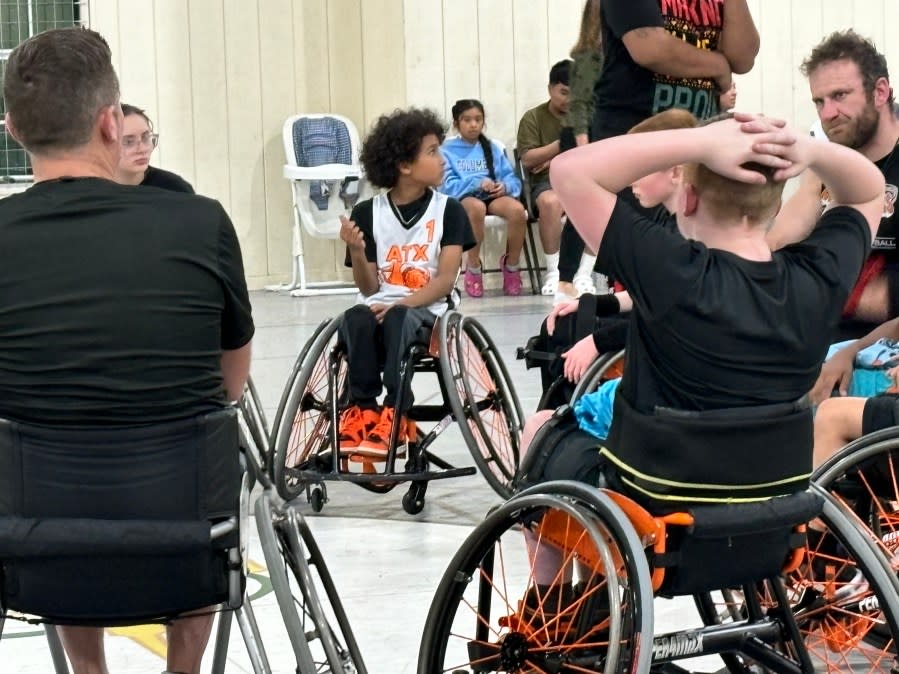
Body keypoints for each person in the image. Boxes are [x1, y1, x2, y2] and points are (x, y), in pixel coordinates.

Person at [513, 112, 882, 604]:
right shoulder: (815, 277)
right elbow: (866, 190)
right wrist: (810, 150)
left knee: (540, 430)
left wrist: (698, 141)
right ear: (775, 202)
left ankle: (552, 611)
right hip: (774, 515)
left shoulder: (672, 269)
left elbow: (569, 171)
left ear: (686, 196)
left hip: (657, 513)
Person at [1, 27, 253, 674]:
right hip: (187, 542)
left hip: (36, 551)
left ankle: (88, 669)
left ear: (12, 130)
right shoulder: (200, 222)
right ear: (111, 124)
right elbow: (227, 385)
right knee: (202, 444)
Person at [531, 108, 696, 409]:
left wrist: (597, 342)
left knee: (570, 338)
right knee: (560, 324)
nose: (628, 179)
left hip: (669, 345)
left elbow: (665, 317)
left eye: (639, 168)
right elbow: (645, 297)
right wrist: (591, 302)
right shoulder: (665, 219)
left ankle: (562, 422)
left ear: (674, 171)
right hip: (651, 325)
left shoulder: (688, 232)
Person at [771, 32, 899, 408]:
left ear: (880, 92)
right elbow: (782, 237)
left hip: (879, 348)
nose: (827, 114)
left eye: (840, 96)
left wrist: (856, 347)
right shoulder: (830, 158)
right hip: (819, 337)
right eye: (819, 101)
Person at [338, 107, 475, 458]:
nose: (442, 159)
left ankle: (398, 411)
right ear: (404, 166)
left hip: (427, 311)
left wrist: (400, 305)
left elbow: (445, 280)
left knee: (398, 317)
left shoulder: (450, 211)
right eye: (432, 151)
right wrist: (356, 250)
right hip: (381, 304)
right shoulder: (367, 213)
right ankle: (364, 410)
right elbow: (369, 289)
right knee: (353, 317)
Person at [439, 99, 527, 297]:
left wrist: (504, 187)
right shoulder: (446, 151)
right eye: (467, 120)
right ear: (456, 123)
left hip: (493, 195)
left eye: (478, 119)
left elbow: (512, 180)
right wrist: (476, 182)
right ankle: (473, 267)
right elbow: (446, 186)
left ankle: (512, 265)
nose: (473, 124)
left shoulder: (492, 148)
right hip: (465, 197)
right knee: (476, 208)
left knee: (517, 211)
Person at [556, 0, 604, 299]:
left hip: (605, 135)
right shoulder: (587, 56)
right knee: (579, 210)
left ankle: (588, 272)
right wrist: (585, 145)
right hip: (581, 135)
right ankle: (566, 277)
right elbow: (579, 105)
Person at [516, 59, 571, 295]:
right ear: (550, 89)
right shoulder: (533, 118)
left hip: (580, 178)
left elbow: (595, 152)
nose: (569, 99)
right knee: (550, 202)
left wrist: (549, 157)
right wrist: (562, 144)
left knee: (601, 198)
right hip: (546, 183)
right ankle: (554, 272)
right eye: (564, 93)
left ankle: (583, 274)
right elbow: (528, 159)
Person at [116, 103, 194, 193]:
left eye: (146, 138)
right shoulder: (97, 193)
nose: (142, 149)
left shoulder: (175, 189)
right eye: (129, 142)